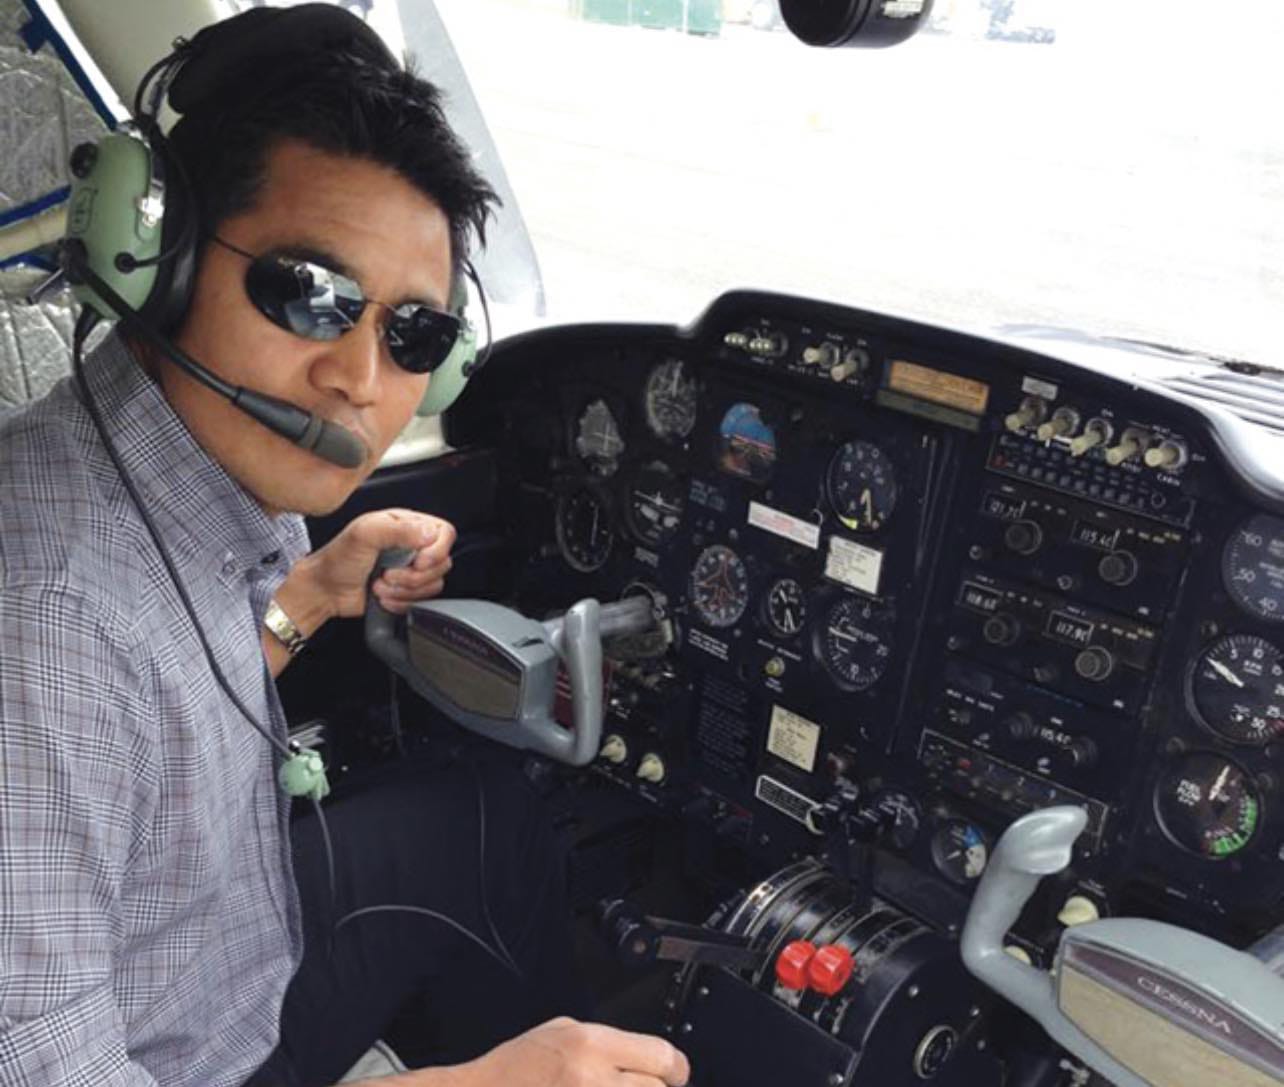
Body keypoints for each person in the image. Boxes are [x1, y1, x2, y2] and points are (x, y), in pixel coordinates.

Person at [0, 6, 691, 1087]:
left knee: (490, 815)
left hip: (209, 947)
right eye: (308, 295)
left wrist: (309, 597)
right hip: (188, 1054)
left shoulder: (162, 475)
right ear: (159, 261)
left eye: (414, 333)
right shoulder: (46, 616)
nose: (361, 381)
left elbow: (146, 717)